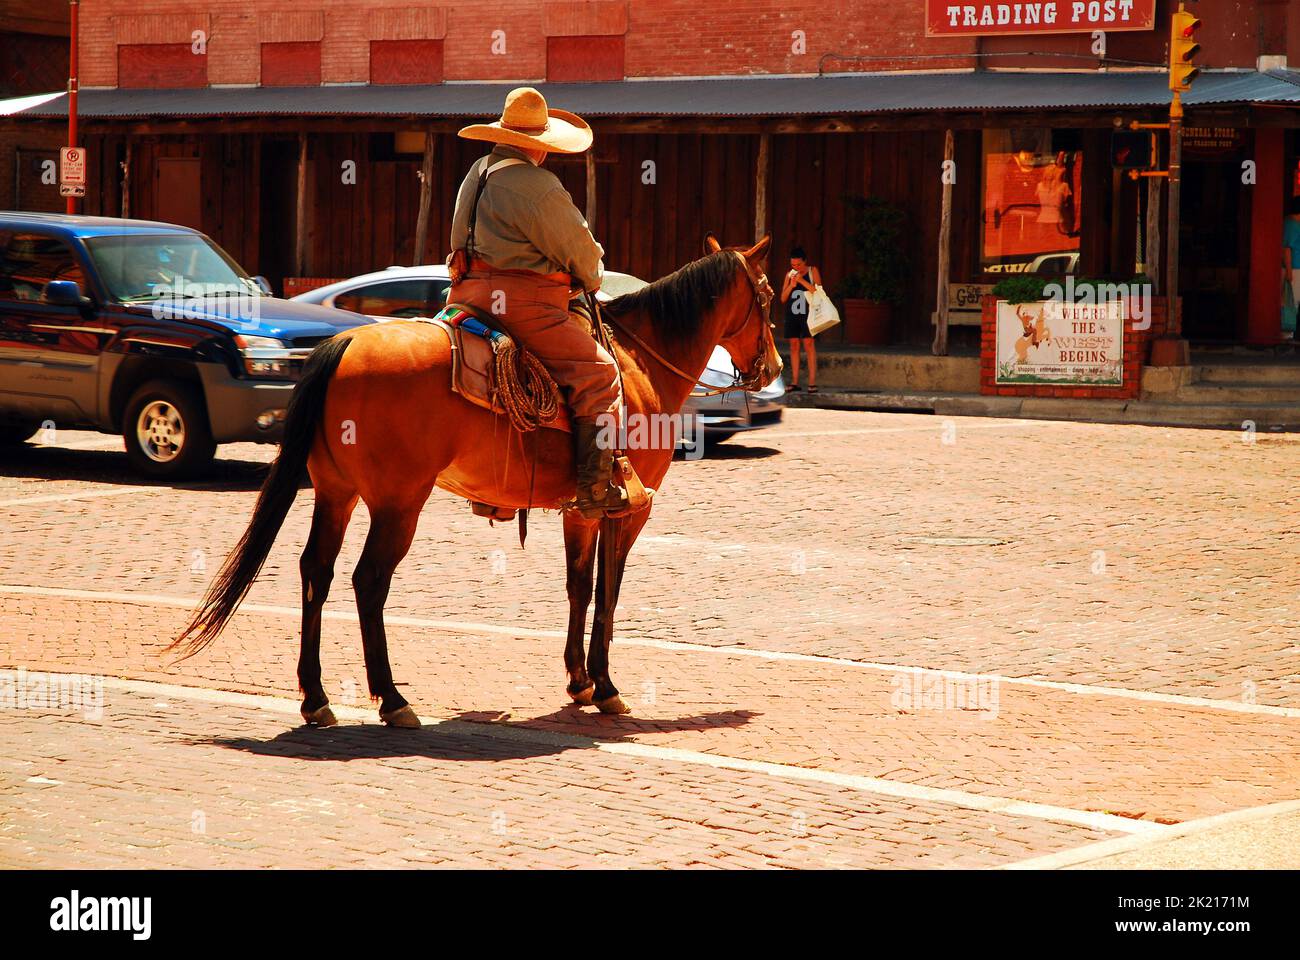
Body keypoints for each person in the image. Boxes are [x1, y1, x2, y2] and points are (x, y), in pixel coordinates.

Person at [447, 87, 626, 517]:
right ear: (540, 147)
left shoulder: (476, 171)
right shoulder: (540, 186)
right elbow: (581, 255)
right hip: (524, 305)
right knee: (600, 375)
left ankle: (490, 491)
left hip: (466, 298)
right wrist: (591, 275)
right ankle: (593, 489)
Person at [780, 246, 821, 392]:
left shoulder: (812, 271)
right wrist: (791, 285)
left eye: (799, 265)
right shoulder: (789, 275)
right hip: (793, 314)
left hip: (809, 314)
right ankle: (795, 382)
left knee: (809, 345)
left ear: (805, 262)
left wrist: (802, 281)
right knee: (794, 345)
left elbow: (817, 291)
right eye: (793, 265)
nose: (796, 268)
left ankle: (812, 382)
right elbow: (783, 298)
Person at [1282, 196, 1300, 338]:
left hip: (1296, 267)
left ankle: (1290, 334)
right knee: (1291, 302)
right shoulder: (1292, 224)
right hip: (1294, 268)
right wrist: (1288, 270)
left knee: (1293, 301)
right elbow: (1286, 248)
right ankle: (1287, 335)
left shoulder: (1294, 223)